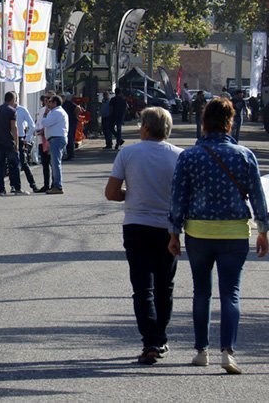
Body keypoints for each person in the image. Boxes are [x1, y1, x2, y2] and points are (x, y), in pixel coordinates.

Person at [168, 97, 269, 374]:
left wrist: (174, 232)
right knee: (231, 294)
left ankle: (202, 350)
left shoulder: (189, 156)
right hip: (234, 232)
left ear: (203, 123)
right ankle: (228, 352)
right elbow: (258, 196)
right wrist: (262, 230)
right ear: (230, 122)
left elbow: (178, 197)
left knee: (201, 292)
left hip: (198, 232)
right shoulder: (244, 156)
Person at [104, 107, 183, 365]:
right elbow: (184, 196)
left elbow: (111, 193)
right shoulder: (179, 156)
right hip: (167, 228)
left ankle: (149, 341)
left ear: (146, 128)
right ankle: (160, 338)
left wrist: (133, 193)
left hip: (136, 225)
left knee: (142, 287)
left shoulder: (128, 153)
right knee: (165, 286)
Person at [0, 91, 23, 196]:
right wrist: (16, 143)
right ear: (13, 99)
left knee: (0, 166)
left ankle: (1, 189)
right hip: (9, 142)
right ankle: (16, 187)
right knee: (14, 165)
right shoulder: (12, 111)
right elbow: (14, 127)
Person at [37, 95, 69, 194]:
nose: (48, 103)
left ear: (55, 103)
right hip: (55, 139)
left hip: (56, 139)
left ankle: (57, 186)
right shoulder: (56, 112)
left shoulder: (57, 112)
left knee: (55, 164)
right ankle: (56, 185)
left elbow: (45, 123)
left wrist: (45, 115)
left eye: (50, 101)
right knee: (55, 163)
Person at [12, 97, 38, 192]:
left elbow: (32, 126)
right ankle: (13, 185)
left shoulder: (22, 110)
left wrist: (27, 139)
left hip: (20, 137)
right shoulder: (6, 109)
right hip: (10, 138)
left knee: (23, 162)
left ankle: (33, 184)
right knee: (12, 163)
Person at [35, 95, 51, 193]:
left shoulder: (54, 111)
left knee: (52, 164)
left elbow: (48, 123)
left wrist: (43, 130)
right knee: (45, 164)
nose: (46, 102)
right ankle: (46, 184)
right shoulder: (42, 110)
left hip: (49, 139)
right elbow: (39, 123)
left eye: (48, 100)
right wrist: (38, 129)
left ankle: (54, 184)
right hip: (42, 139)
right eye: (45, 100)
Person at [62, 94, 80, 160]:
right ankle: (70, 154)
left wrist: (75, 115)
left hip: (71, 122)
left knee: (70, 138)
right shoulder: (62, 105)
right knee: (68, 138)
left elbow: (78, 108)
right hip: (67, 123)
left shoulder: (68, 103)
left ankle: (71, 155)